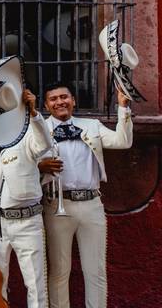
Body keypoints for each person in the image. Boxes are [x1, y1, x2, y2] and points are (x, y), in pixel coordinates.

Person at [40, 82, 133, 308]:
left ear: (73, 100)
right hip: (56, 205)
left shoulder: (91, 125)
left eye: (64, 97)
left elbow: (123, 141)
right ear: (46, 105)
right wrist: (39, 166)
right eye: (53, 99)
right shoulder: (38, 128)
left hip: (92, 204)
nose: (60, 102)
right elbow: (24, 163)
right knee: (59, 270)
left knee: (95, 270)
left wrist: (123, 108)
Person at [0, 87, 54, 308]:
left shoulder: (26, 138)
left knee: (35, 283)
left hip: (27, 221)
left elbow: (44, 144)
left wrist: (34, 113)